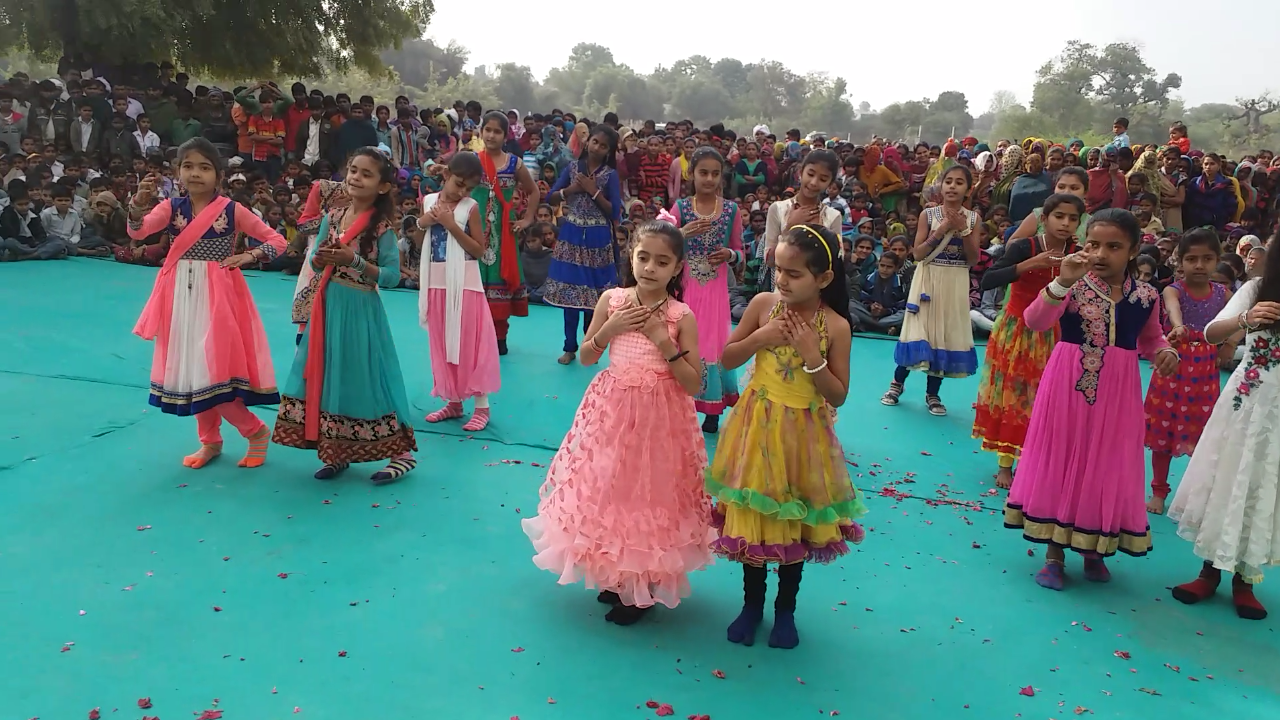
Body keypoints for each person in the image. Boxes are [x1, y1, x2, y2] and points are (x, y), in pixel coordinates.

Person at [522, 221, 712, 626]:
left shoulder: (682, 316)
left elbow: (695, 383)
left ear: (677, 268)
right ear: (631, 256)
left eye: (662, 261)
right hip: (612, 411)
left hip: (660, 418)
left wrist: (664, 342)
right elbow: (589, 356)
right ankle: (615, 570)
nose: (650, 268)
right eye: (644, 257)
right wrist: (609, 328)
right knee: (610, 488)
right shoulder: (612, 299)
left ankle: (640, 587)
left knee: (649, 494)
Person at [1004, 209, 1180, 590]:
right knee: (1062, 456)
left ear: (1133, 250)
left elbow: (1151, 339)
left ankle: (1093, 549)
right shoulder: (1071, 287)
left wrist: (1166, 352)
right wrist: (1062, 283)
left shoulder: (1147, 296)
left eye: (1113, 246)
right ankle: (1053, 555)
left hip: (1119, 392)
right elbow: (1035, 321)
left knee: (1107, 460)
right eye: (1094, 244)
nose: (1101, 254)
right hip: (1067, 382)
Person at [708, 223, 864, 650]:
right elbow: (726, 358)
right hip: (756, 428)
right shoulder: (762, 305)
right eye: (778, 269)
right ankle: (751, 605)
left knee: (793, 521)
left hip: (803, 437)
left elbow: (839, 394)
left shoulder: (836, 325)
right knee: (756, 518)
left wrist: (813, 355)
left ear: (824, 279)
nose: (782, 280)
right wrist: (761, 336)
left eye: (794, 273)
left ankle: (785, 610)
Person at [126, 138, 287, 469]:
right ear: (178, 172)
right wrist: (137, 205)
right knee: (190, 371)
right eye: (188, 166)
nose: (195, 173)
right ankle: (210, 441)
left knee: (210, 371)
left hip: (218, 297)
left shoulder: (232, 210)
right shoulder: (171, 208)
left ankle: (254, 432)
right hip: (180, 297)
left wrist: (251, 254)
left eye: (204, 167)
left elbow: (278, 241)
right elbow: (139, 233)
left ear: (219, 175)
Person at [272, 147, 418, 484]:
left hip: (361, 310)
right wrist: (322, 258)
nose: (355, 177)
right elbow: (313, 262)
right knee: (329, 375)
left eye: (366, 174)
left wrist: (353, 260)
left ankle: (401, 453)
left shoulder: (381, 228)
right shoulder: (332, 217)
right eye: (353, 170)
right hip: (328, 306)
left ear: (382, 186)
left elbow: (393, 276)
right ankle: (336, 449)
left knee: (367, 376)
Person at [1167, 244, 1280, 620]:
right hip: (1245, 405)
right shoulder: (1258, 288)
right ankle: (1208, 572)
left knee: (1265, 482)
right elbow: (1214, 333)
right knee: (1228, 475)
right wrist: (1247, 319)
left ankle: (1245, 579)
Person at [973, 194, 1084, 489]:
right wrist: (1030, 263)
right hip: (1018, 331)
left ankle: (1038, 459)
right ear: (1044, 218)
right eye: (1059, 216)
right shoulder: (1025, 246)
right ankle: (1005, 463)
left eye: (1073, 218)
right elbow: (988, 280)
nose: (1065, 223)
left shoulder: (1079, 252)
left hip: (1060, 334)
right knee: (1015, 395)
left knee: (1050, 398)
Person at [1142, 229, 1231, 514]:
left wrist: (1229, 344)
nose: (1199, 265)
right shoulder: (1173, 289)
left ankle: (1195, 497)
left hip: (1205, 371)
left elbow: (1237, 320)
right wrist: (1178, 326)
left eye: (1207, 258)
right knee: (1163, 431)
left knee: (1202, 432)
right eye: (1192, 258)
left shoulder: (1224, 293)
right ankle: (1158, 491)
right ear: (1180, 260)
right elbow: (1172, 309)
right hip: (1174, 363)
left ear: (1217, 260)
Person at [884, 165, 981, 416]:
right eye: (948, 181)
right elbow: (917, 254)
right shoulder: (928, 215)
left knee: (943, 335)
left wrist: (963, 229)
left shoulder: (973, 219)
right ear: (941, 185)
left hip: (955, 281)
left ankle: (933, 393)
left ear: (968, 189)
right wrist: (943, 228)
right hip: (928, 279)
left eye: (959, 182)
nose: (952, 186)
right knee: (916, 331)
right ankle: (897, 384)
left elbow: (972, 259)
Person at [417, 152, 501, 432]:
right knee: (442, 342)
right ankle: (453, 401)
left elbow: (478, 250)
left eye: (468, 188)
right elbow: (419, 238)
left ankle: (481, 406)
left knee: (470, 344)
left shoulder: (470, 207)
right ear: (445, 176)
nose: (462, 191)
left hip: (465, 285)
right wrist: (424, 222)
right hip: (436, 282)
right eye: (458, 184)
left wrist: (451, 225)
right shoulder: (429, 201)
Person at [669, 148, 744, 433]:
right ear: (691, 174)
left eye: (715, 173)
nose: (709, 179)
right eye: (703, 173)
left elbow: (740, 250)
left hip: (714, 290)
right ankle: (682, 405)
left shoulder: (731, 210)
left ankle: (712, 411)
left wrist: (729, 254)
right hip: (686, 287)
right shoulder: (680, 208)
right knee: (683, 342)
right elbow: (662, 243)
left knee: (712, 343)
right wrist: (681, 234)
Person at [543, 124, 622, 364]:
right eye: (594, 141)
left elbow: (615, 211)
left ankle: (591, 346)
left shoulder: (610, 175)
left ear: (609, 151)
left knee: (593, 299)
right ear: (588, 143)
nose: (597, 147)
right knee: (570, 296)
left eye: (603, 145)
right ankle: (569, 347)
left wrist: (593, 191)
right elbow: (551, 197)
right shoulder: (573, 168)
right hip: (572, 236)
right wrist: (572, 190)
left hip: (598, 241)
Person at [474, 112, 539, 355]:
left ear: (505, 135)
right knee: (475, 283)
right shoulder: (472, 160)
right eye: (487, 129)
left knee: (500, 280)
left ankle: (500, 338)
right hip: (475, 233)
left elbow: (533, 192)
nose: (491, 135)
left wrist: (527, 219)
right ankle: (477, 336)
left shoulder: (514, 163)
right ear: (481, 132)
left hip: (503, 236)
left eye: (497, 131)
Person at [764, 149, 843, 290]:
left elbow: (836, 263)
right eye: (810, 174)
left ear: (830, 183)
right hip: (783, 291)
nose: (814, 183)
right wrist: (790, 228)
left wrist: (820, 237)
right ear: (800, 173)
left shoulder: (833, 216)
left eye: (823, 179)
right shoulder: (778, 209)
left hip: (816, 296)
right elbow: (769, 261)